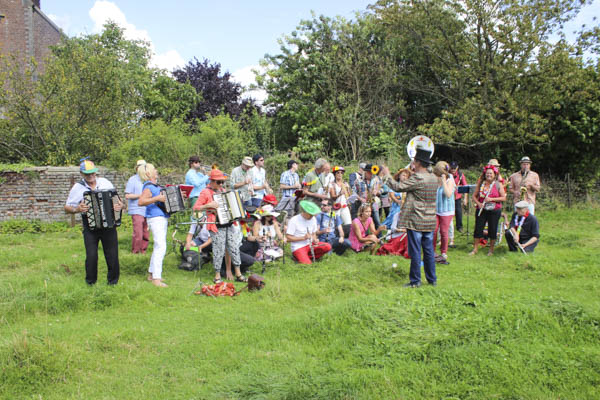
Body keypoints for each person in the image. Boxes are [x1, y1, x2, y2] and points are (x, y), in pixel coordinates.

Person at [380, 146, 439, 288]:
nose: (413, 163)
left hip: (416, 220)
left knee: (415, 251)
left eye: (414, 161)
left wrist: (387, 175)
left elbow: (397, 187)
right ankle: (432, 280)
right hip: (430, 219)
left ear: (418, 162)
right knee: (429, 250)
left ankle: (415, 281)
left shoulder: (418, 178)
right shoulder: (433, 178)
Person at [65, 158, 123, 285]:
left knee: (112, 255)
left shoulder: (105, 182)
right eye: (87, 174)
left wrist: (119, 206)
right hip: (90, 226)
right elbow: (67, 207)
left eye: (93, 173)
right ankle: (90, 283)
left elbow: (119, 201)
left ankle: (113, 282)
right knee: (91, 256)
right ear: (81, 174)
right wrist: (77, 209)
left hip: (109, 225)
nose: (91, 176)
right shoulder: (77, 188)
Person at [194, 168, 247, 283]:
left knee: (233, 248)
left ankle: (238, 273)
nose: (221, 184)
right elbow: (196, 207)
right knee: (218, 249)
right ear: (211, 181)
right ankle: (217, 275)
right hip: (216, 225)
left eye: (222, 182)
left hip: (228, 223)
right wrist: (208, 205)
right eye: (218, 182)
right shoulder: (205, 192)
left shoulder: (223, 191)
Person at [138, 163, 170, 288]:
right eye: (153, 170)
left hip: (161, 217)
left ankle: (152, 274)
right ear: (148, 174)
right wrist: (156, 198)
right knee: (160, 246)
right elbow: (141, 201)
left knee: (159, 246)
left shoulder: (156, 186)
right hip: (155, 217)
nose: (156, 171)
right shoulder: (148, 186)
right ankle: (156, 279)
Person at [470, 165, 507, 256]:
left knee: (492, 229)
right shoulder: (481, 182)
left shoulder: (498, 184)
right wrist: (478, 204)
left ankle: (491, 250)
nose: (489, 175)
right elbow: (474, 196)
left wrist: (491, 199)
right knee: (478, 229)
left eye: (491, 173)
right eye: (487, 173)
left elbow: (503, 198)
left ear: (494, 174)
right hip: (481, 209)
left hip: (494, 210)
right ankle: (475, 249)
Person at [432, 161, 456, 263]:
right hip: (437, 210)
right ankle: (432, 252)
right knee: (433, 230)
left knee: (443, 231)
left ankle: (443, 252)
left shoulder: (450, 180)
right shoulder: (436, 180)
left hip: (447, 211)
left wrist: (443, 181)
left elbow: (448, 194)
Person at [124, 159, 149, 254]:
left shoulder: (148, 179)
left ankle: (143, 250)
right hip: (136, 208)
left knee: (146, 232)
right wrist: (141, 195)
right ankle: (135, 251)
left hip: (148, 208)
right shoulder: (133, 179)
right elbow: (127, 195)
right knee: (138, 232)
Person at [449, 161, 468, 234]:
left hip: (457, 197)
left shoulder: (460, 175)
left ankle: (459, 227)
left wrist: (465, 198)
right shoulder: (447, 174)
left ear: (457, 167)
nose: (453, 170)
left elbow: (465, 186)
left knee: (458, 212)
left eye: (454, 168)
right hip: (449, 196)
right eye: (452, 168)